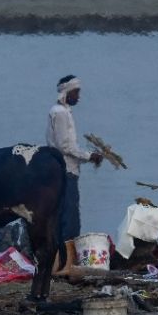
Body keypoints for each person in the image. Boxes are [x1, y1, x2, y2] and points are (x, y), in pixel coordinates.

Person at [46, 75, 102, 244]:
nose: (78, 97)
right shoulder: (61, 113)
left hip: (60, 169)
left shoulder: (60, 111)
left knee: (61, 214)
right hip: (66, 170)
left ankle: (59, 253)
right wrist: (89, 156)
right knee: (70, 217)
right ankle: (68, 255)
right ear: (67, 93)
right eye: (76, 92)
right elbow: (65, 146)